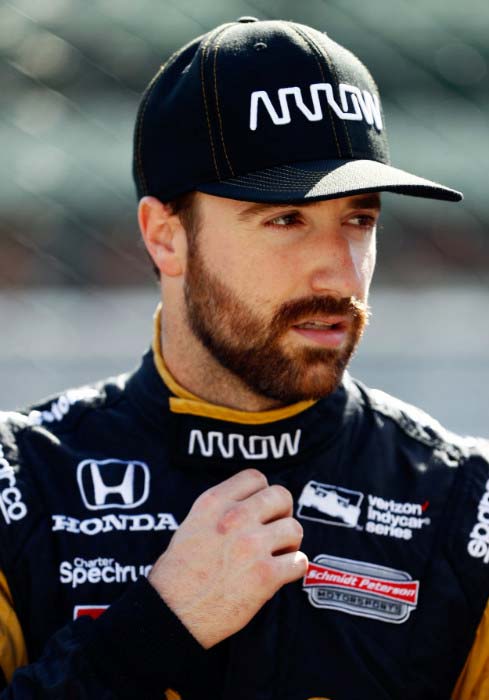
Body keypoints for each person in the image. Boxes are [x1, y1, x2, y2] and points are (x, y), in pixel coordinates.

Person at [0, 16, 487, 700]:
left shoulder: (465, 505)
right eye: (284, 220)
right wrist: (157, 630)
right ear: (165, 237)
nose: (340, 276)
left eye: (360, 220)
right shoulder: (20, 484)